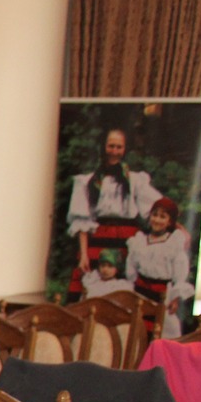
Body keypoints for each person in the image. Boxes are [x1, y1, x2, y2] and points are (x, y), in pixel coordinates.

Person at [67, 127, 163, 297]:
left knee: (127, 282)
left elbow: (158, 208)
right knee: (92, 279)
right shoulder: (88, 181)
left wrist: (178, 227)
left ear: (124, 149)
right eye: (111, 146)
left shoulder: (134, 180)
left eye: (119, 147)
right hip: (99, 237)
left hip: (127, 239)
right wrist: (84, 254)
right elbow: (82, 220)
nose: (114, 151)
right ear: (104, 147)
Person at [128, 196, 196, 334]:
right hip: (140, 293)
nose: (157, 220)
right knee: (137, 329)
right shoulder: (139, 241)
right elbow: (131, 267)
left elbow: (180, 273)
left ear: (169, 221)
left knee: (162, 329)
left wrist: (175, 298)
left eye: (162, 217)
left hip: (161, 295)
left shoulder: (173, 244)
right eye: (155, 215)